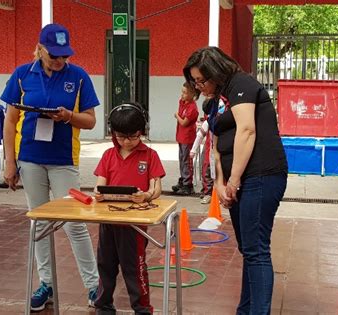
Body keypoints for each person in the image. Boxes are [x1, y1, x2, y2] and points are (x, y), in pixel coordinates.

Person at [1, 23, 99, 312]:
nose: (60, 61)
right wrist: (10, 161)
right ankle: (46, 284)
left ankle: (94, 287)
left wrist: (69, 116)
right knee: (40, 223)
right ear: (40, 48)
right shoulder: (22, 75)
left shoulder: (78, 77)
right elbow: (10, 120)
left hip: (63, 161)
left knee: (75, 224)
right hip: (30, 158)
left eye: (64, 55)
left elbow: (91, 120)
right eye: (54, 55)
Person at [184, 46, 288, 315]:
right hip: (236, 178)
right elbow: (218, 145)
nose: (199, 86)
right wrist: (220, 181)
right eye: (194, 81)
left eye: (201, 80)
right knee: (248, 249)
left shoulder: (241, 83)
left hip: (261, 175)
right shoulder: (218, 99)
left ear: (216, 71)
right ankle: (245, 309)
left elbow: (247, 130)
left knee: (256, 250)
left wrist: (234, 180)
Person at [93, 103, 165, 315]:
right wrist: (98, 194)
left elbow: (156, 188)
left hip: (135, 224)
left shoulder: (150, 155)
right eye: (121, 136)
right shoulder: (108, 154)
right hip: (109, 220)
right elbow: (99, 184)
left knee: (134, 268)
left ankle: (142, 309)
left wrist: (146, 195)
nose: (127, 141)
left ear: (141, 132)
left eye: (133, 136)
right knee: (105, 265)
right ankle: (103, 306)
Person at [172, 82, 199, 196]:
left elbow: (184, 122)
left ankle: (188, 184)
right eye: (182, 92)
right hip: (181, 136)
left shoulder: (193, 109)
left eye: (185, 93)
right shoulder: (182, 103)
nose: (182, 95)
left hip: (187, 138)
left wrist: (176, 116)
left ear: (192, 94)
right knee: (181, 159)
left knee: (186, 161)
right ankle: (183, 179)